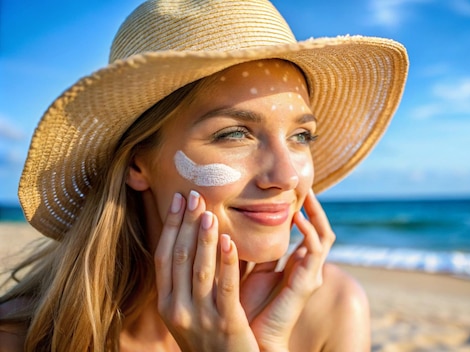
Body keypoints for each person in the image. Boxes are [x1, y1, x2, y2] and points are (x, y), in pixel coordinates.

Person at [0, 0, 408, 350]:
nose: (286, 176)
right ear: (137, 164)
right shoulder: (19, 338)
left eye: (301, 136)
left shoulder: (331, 308)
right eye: (234, 133)